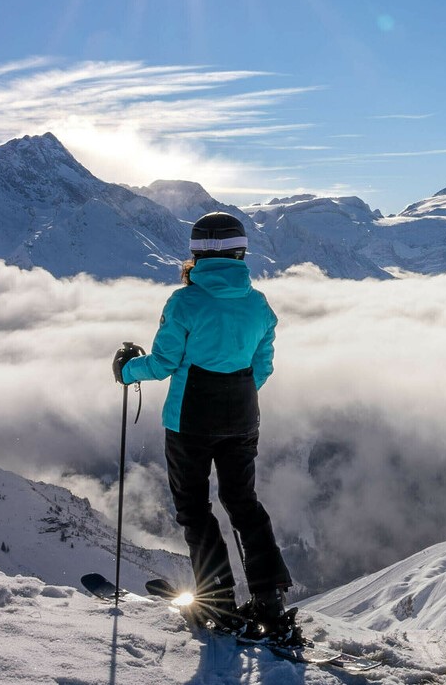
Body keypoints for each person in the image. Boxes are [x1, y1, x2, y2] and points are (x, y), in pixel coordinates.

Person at [113, 211, 295, 641]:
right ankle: (269, 599)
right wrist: (235, 393)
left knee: (195, 511)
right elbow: (261, 368)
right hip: (242, 418)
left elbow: (162, 364)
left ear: (195, 252)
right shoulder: (259, 304)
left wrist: (125, 370)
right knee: (243, 504)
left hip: (189, 422)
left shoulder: (184, 302)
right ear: (240, 251)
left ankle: (219, 602)